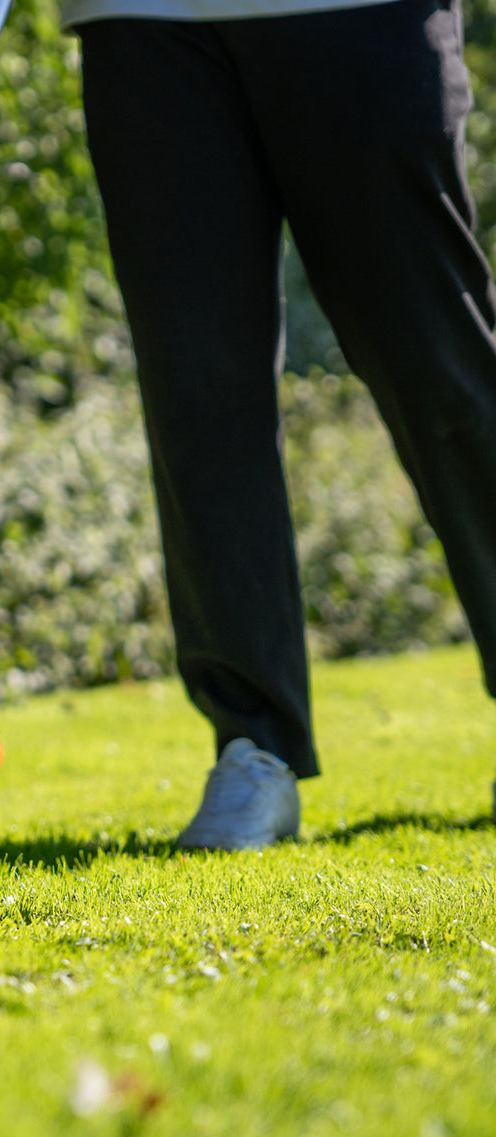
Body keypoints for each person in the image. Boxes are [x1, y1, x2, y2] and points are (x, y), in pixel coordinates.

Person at [60, 0, 496, 847]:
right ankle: (252, 743)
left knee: (436, 363)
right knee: (197, 388)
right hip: (143, 16)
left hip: (355, 10)